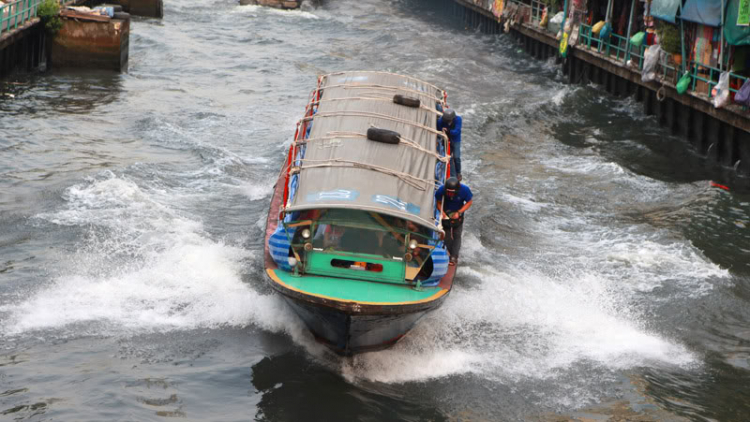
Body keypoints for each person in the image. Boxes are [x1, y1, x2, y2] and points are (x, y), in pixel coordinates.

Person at [435, 177, 473, 265]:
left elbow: (469, 202)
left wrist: (459, 212)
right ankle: (454, 253)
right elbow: (438, 202)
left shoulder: (465, 190)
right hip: (446, 215)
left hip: (458, 215)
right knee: (446, 236)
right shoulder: (441, 190)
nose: (449, 194)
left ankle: (453, 257)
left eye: (452, 193)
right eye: (448, 192)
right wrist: (442, 212)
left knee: (457, 235)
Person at [437, 108, 463, 181]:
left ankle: (458, 172)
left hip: (455, 140)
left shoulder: (458, 120)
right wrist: (442, 129)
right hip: (446, 139)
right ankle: (452, 175)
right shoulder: (442, 120)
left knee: (456, 157)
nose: (448, 121)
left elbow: (457, 131)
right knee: (449, 158)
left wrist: (449, 131)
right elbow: (439, 125)